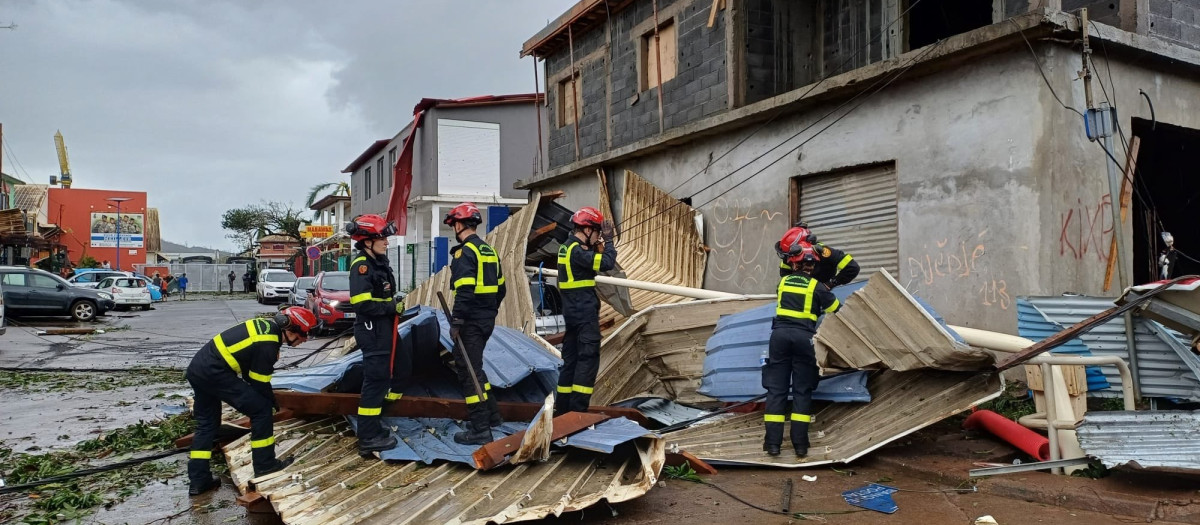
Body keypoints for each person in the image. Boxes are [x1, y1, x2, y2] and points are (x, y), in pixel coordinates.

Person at [186, 306, 317, 495]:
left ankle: (199, 481)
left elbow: (250, 374)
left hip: (199, 370)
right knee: (261, 411)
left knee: (207, 425)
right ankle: (265, 465)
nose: (305, 340)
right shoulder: (269, 343)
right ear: (292, 330)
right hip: (215, 373)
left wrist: (266, 396)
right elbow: (258, 383)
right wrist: (271, 402)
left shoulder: (264, 328)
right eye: (305, 335)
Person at [763, 228, 841, 458]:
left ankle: (773, 445)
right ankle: (800, 446)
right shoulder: (816, 287)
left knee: (776, 391)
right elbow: (836, 310)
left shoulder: (783, 283)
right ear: (813, 265)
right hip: (804, 339)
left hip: (779, 337)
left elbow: (785, 271)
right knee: (802, 391)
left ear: (793, 263)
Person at [443, 203, 506, 444]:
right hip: (486, 319)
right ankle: (492, 416)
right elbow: (502, 288)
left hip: (470, 321)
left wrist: (457, 321)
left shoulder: (464, 253)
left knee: (468, 371)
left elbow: (465, 290)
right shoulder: (488, 251)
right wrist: (488, 311)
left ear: (458, 225)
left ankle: (480, 429)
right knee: (476, 368)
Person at [346, 214, 405, 454]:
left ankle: (379, 417)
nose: (387, 242)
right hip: (373, 330)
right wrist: (392, 307)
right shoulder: (362, 267)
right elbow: (362, 304)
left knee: (402, 366)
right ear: (367, 241)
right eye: (382, 238)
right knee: (376, 380)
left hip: (385, 327)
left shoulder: (378, 262)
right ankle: (368, 436)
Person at [554, 207, 617, 415]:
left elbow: (584, 266)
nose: (599, 235)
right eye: (598, 232)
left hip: (571, 314)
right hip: (584, 314)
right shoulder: (577, 251)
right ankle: (578, 414)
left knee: (570, 362)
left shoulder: (567, 247)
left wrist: (595, 247)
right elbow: (607, 263)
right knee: (587, 362)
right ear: (588, 229)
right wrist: (608, 242)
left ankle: (562, 412)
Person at [776, 222, 860, 289]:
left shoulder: (824, 253)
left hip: (823, 294)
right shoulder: (788, 256)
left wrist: (830, 284)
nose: (788, 259)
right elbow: (785, 276)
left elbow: (852, 267)